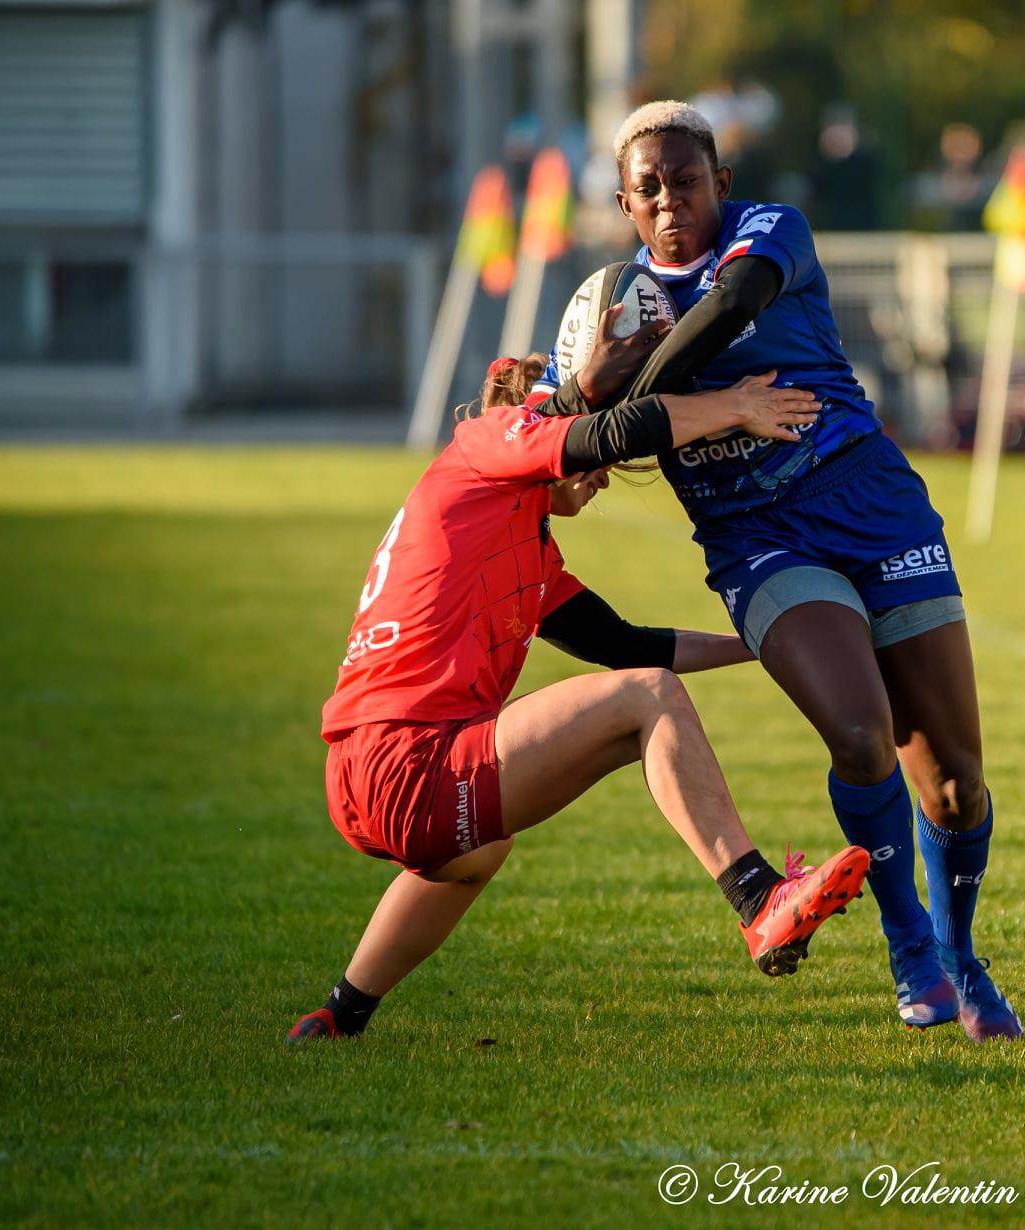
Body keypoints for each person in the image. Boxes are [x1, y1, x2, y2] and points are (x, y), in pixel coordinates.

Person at [525, 101, 1024, 1042]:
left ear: (721, 183)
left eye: (686, 180)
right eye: (649, 190)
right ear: (626, 206)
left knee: (953, 779)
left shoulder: (767, 235)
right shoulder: (604, 310)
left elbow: (730, 310)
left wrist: (627, 388)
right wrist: (584, 396)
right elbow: (560, 431)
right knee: (859, 729)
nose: (671, 201)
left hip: (874, 508)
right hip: (760, 543)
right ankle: (911, 943)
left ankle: (964, 955)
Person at [287, 348, 869, 1041]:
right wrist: (737, 406)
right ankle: (759, 899)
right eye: (600, 460)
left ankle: (339, 1014)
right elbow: (593, 434)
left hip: (362, 777)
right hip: (406, 759)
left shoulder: (520, 534)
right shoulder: (485, 445)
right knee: (646, 699)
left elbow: (626, 643)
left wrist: (765, 643)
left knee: (478, 854)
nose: (602, 479)